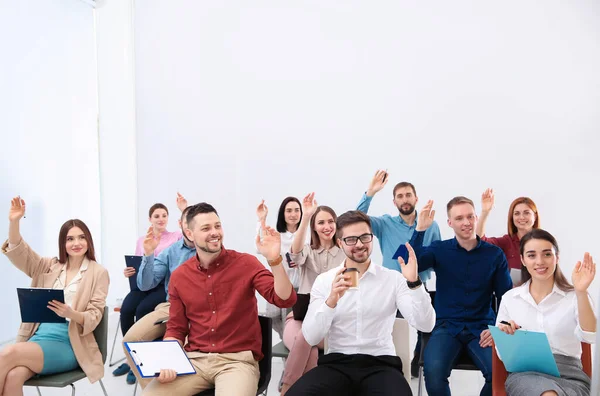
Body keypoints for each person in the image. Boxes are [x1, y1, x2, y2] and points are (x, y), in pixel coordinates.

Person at [142, 202, 297, 396]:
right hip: (195, 360)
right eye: (206, 228)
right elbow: (177, 328)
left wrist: (275, 260)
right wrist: (168, 360)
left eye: (217, 226)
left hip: (237, 362)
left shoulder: (246, 263)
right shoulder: (180, 276)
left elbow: (285, 299)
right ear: (189, 234)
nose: (215, 232)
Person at [287, 210, 435, 396]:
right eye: (351, 239)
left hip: (381, 365)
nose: (359, 244)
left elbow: (426, 325)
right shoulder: (325, 281)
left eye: (365, 237)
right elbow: (311, 337)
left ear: (372, 238)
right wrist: (331, 301)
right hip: (336, 364)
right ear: (340, 243)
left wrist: (414, 283)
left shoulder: (393, 279)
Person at [0, 197, 109, 396]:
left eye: (81, 237)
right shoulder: (49, 266)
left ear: (88, 241)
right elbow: (20, 251)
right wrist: (14, 221)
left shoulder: (98, 273)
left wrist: (71, 313)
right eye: (70, 239)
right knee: (13, 376)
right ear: (63, 243)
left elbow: (94, 315)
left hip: (70, 343)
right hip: (38, 337)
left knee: (7, 352)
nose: (77, 243)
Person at [409, 197, 513, 396]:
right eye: (459, 218)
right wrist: (420, 230)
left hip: (483, 328)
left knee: (501, 373)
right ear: (450, 222)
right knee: (433, 371)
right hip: (446, 326)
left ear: (475, 217)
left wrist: (501, 327)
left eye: (469, 216)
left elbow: (506, 297)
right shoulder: (440, 249)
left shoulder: (494, 254)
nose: (466, 222)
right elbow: (406, 261)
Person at [357, 170, 441, 376]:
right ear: (394, 202)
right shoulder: (385, 223)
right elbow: (357, 220)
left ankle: (417, 361)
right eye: (400, 196)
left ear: (416, 198)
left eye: (408, 195)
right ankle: (388, 366)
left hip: (418, 284)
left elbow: (436, 256)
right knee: (389, 327)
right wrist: (370, 192)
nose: (405, 199)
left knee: (424, 327)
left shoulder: (431, 224)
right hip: (389, 285)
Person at [496, 229, 596, 396]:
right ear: (522, 260)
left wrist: (581, 292)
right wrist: (506, 334)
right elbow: (501, 353)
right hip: (526, 375)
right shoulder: (510, 299)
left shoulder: (575, 296)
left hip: (570, 376)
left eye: (547, 254)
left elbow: (590, 336)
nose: (540, 261)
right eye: (531, 255)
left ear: (557, 257)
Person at [121, 204, 197, 388]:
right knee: (130, 341)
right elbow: (146, 284)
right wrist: (148, 254)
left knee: (187, 356)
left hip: (200, 311)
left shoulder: (211, 250)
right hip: (171, 307)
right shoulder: (170, 251)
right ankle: (152, 390)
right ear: (181, 224)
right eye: (188, 223)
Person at [280, 193, 345, 394]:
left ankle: (288, 389)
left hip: (333, 323)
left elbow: (353, 290)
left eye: (331, 221)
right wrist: (306, 216)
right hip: (300, 318)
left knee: (308, 341)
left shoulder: (346, 253)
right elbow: (295, 254)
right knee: (305, 337)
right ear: (314, 227)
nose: (327, 226)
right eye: (321, 222)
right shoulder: (308, 250)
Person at [256, 196, 303, 337]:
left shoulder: (305, 234)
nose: (293, 214)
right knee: (273, 315)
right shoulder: (278, 235)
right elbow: (260, 245)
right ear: (283, 213)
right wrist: (262, 219)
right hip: (281, 283)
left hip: (301, 286)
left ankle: (291, 346)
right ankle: (286, 339)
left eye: (296, 210)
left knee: (293, 320)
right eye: (289, 211)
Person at [476, 189, 541, 274]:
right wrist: (485, 212)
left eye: (526, 213)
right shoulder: (506, 242)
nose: (521, 217)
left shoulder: (544, 241)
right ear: (512, 218)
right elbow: (480, 241)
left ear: (535, 216)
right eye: (517, 213)